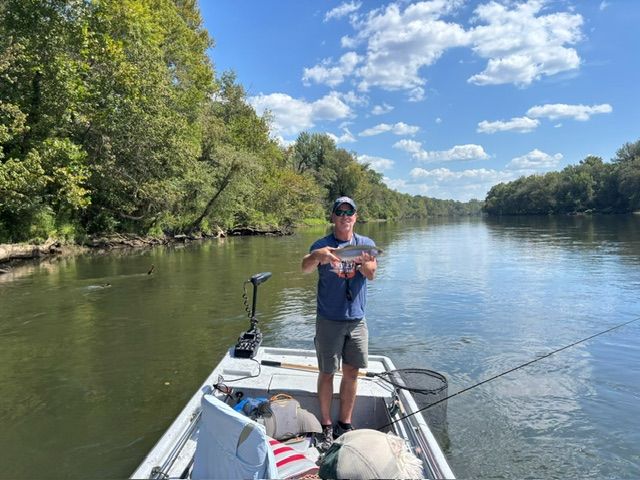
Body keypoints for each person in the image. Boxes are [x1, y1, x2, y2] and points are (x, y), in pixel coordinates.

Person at [301, 196, 377, 451]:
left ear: (356, 217)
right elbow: (304, 268)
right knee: (326, 372)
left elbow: (372, 274)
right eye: (340, 212)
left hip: (356, 320)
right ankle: (326, 425)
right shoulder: (322, 244)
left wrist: (365, 263)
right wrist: (316, 256)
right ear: (332, 216)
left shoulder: (366, 244)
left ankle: (345, 423)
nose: (345, 216)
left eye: (350, 212)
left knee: (352, 372)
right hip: (328, 320)